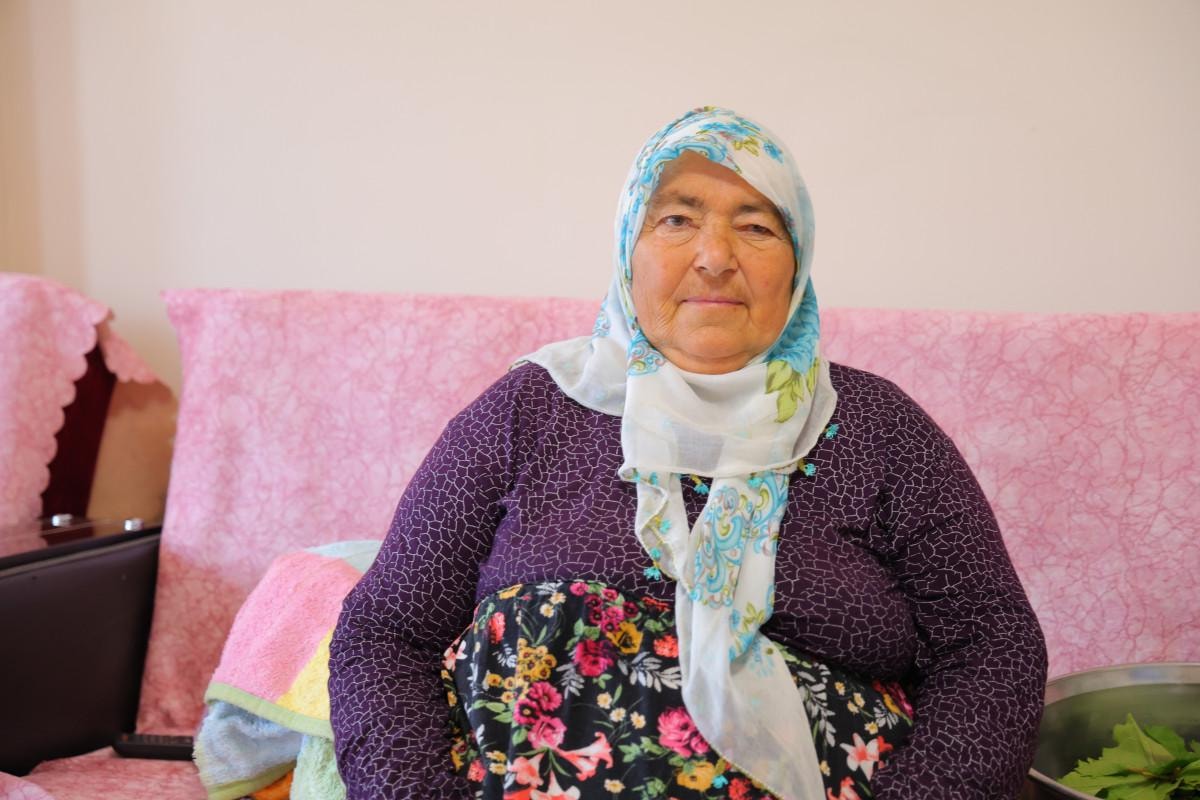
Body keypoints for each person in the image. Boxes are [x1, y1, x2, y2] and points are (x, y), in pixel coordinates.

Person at [328, 107, 1047, 800]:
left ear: (797, 262)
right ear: (627, 249)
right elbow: (386, 633)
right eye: (676, 220)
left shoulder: (879, 428)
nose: (715, 258)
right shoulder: (528, 410)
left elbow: (992, 647)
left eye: (756, 226)